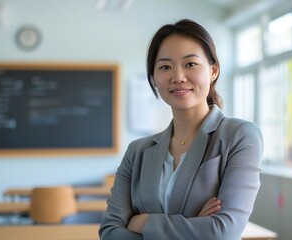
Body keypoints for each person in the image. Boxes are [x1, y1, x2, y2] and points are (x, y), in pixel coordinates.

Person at [99, 19, 263, 240]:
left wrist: (143, 222)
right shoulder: (137, 151)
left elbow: (223, 231)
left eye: (190, 64)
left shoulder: (240, 136)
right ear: (154, 79)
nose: (178, 77)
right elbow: (110, 232)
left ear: (213, 71)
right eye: (165, 67)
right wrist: (194, 227)